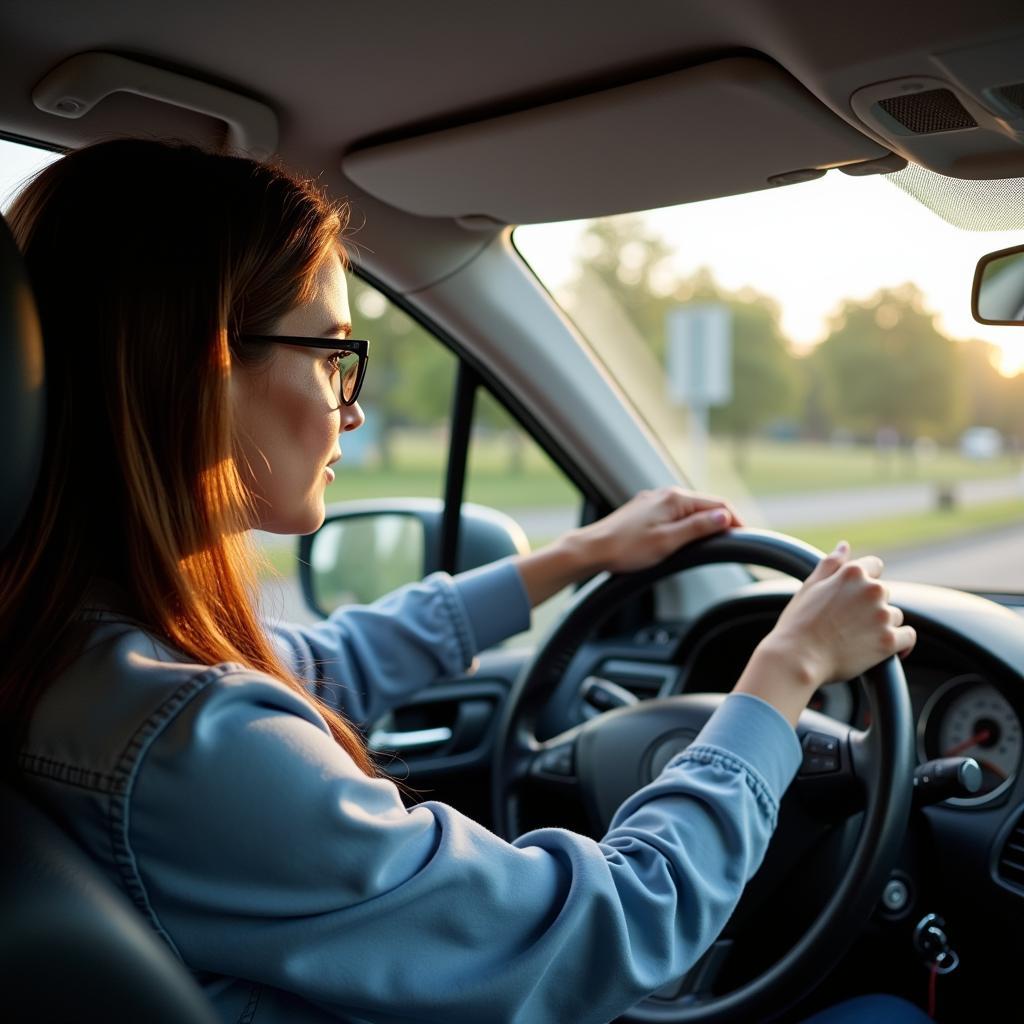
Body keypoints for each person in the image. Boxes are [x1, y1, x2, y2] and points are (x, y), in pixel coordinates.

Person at [0, 139, 930, 1024]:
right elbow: (607, 933)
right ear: (198, 365)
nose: (351, 408)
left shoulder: (80, 658)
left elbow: (317, 660)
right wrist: (785, 674)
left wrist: (573, 556)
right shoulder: (192, 746)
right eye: (331, 354)